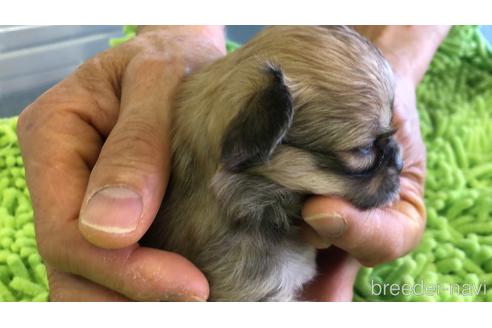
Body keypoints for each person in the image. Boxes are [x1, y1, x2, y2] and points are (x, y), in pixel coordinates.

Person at [16, 25, 450, 301]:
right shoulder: (235, 267)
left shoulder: (252, 124)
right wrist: (178, 32)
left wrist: (399, 66)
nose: (394, 157)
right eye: (362, 151)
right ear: (258, 140)